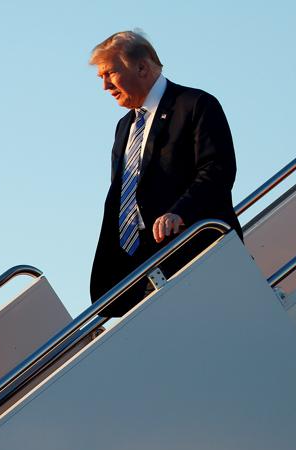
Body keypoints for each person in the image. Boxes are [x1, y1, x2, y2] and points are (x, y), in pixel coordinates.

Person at [88, 30, 242, 316]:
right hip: (144, 272)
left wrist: (180, 212)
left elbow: (217, 170)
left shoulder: (195, 104)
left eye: (110, 73)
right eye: (101, 78)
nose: (105, 86)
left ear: (142, 67)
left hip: (196, 254)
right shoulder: (124, 127)